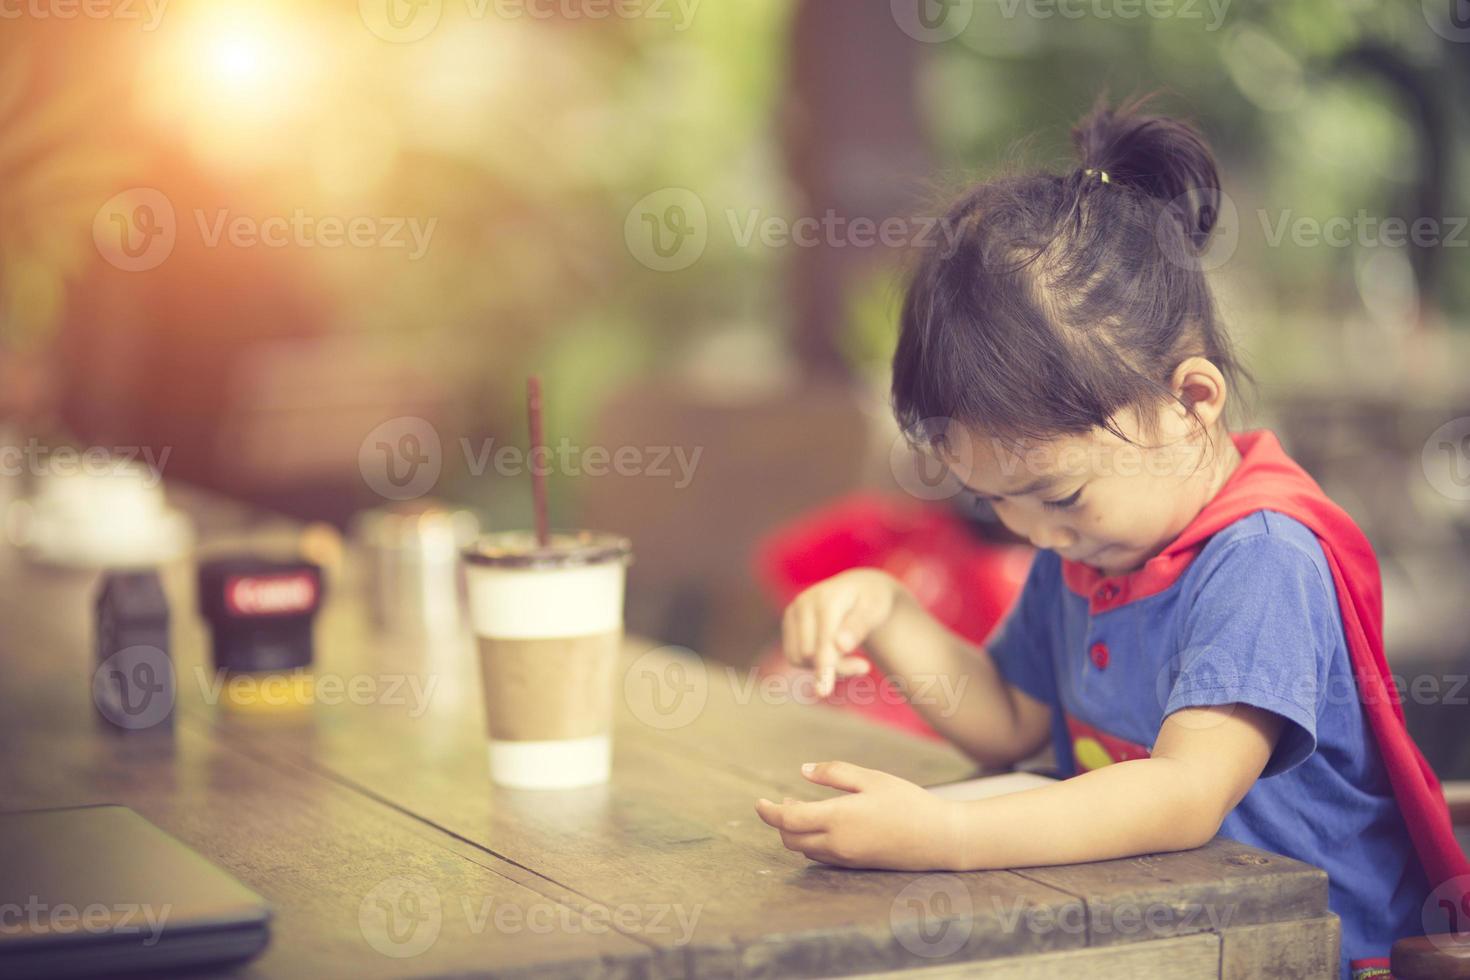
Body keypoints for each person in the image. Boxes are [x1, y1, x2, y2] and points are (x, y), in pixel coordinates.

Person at [753, 96, 1468, 980]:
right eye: (995, 502)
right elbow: (1012, 723)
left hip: (1314, 951)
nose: (1031, 532)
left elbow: (1182, 795)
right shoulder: (1092, 549)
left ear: (1190, 404)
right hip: (1154, 931)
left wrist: (945, 832)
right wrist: (886, 607)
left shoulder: (1261, 561)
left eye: (1059, 494)